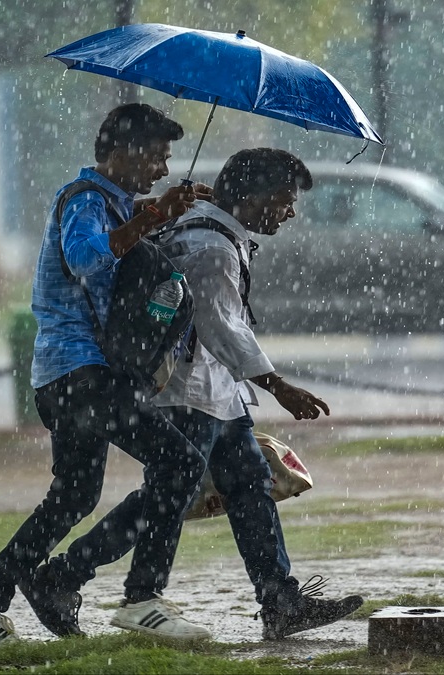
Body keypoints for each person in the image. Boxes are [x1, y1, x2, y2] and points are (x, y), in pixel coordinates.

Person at [0, 103, 212, 646]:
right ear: (123, 152)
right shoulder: (84, 201)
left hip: (67, 379)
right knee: (180, 462)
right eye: (156, 157)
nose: (161, 169)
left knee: (74, 496)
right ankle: (142, 598)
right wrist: (149, 219)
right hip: (82, 375)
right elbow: (86, 258)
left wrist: (156, 215)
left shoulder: (114, 204)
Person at [153, 147, 364, 640]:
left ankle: (280, 599)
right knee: (165, 499)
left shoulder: (218, 234)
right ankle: (72, 574)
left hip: (215, 391)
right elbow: (219, 326)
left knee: (250, 484)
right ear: (249, 197)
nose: (290, 211)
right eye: (283, 199)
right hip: (191, 391)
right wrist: (278, 386)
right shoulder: (211, 246)